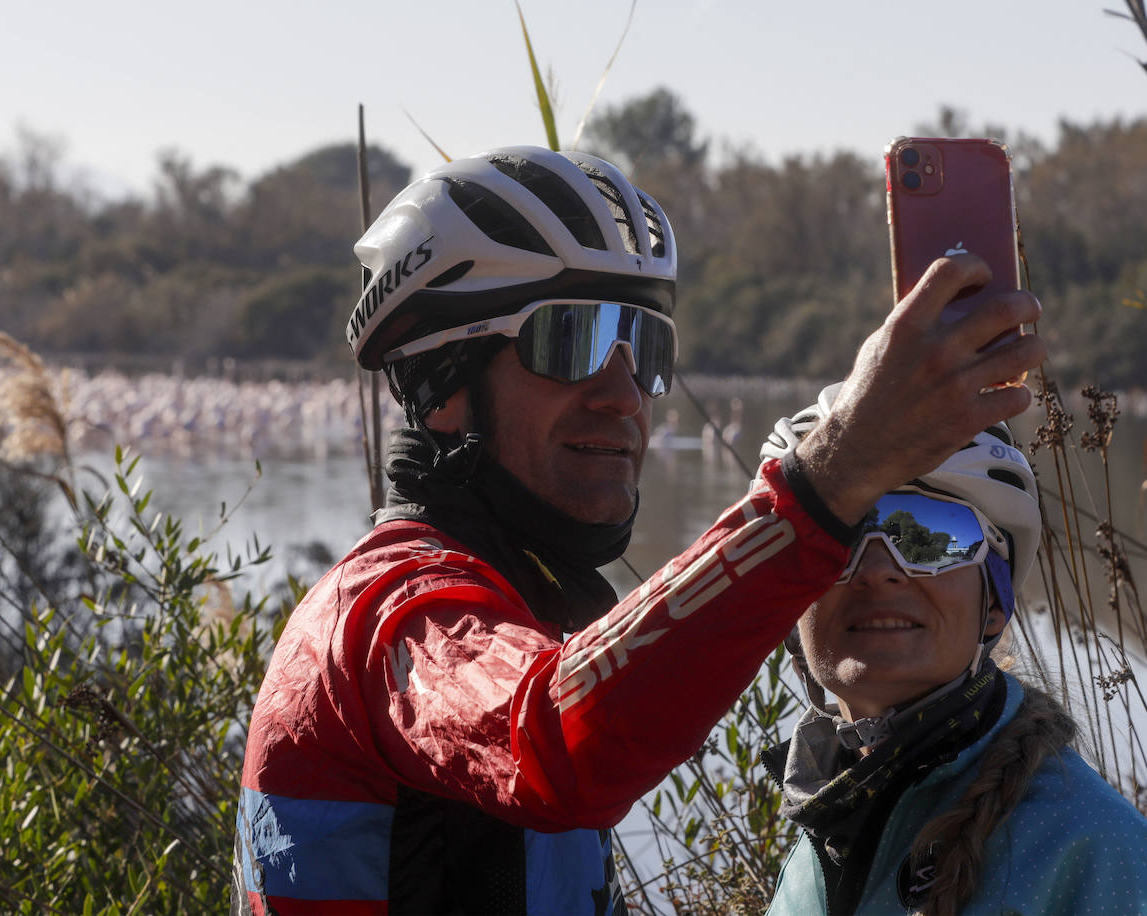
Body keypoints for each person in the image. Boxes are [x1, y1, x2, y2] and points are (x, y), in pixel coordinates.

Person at [237, 146, 1045, 914]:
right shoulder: (393, 612)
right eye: (571, 339)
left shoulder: (516, 606)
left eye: (645, 348)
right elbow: (553, 742)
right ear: (444, 380)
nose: (624, 394)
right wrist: (828, 475)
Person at [760, 385, 1147, 916]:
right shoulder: (827, 812)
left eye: (931, 534)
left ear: (995, 602)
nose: (877, 572)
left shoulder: (1093, 848)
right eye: (838, 542)